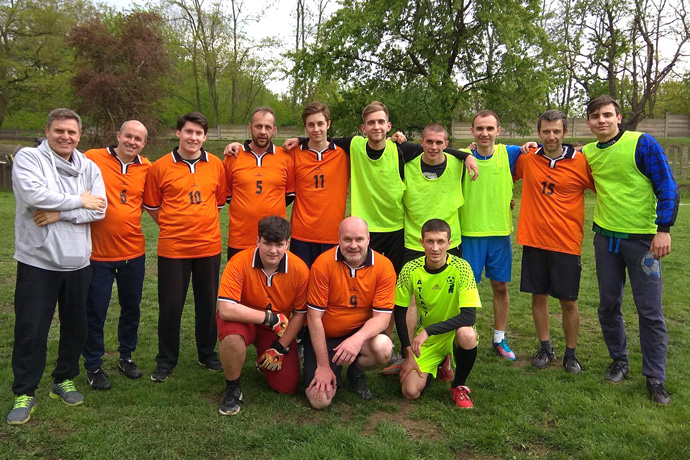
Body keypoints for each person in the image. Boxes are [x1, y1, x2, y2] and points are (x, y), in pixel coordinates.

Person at [7, 108, 106, 425]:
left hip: (78, 261)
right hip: (38, 261)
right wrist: (80, 201)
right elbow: (34, 195)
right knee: (31, 329)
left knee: (76, 326)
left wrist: (59, 212)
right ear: (48, 130)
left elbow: (100, 208)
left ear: (80, 135)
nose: (66, 137)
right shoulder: (28, 159)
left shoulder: (88, 167)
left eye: (72, 132)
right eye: (59, 131)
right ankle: (25, 391)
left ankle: (63, 379)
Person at [582, 95, 679, 404]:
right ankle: (619, 361)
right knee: (608, 305)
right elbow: (555, 155)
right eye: (595, 116)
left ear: (619, 117)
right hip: (605, 240)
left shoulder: (643, 144)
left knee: (650, 311)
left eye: (607, 115)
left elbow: (666, 185)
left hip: (643, 242)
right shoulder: (587, 153)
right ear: (588, 122)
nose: (602, 121)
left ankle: (655, 377)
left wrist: (663, 229)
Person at [143, 112, 227, 383]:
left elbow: (219, 202)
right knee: (170, 306)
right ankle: (166, 359)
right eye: (188, 132)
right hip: (173, 250)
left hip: (208, 246)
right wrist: (174, 225)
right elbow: (153, 206)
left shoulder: (215, 164)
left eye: (199, 133)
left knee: (207, 303)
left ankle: (207, 353)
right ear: (178, 133)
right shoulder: (160, 167)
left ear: (205, 137)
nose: (193, 137)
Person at [382, 123, 469, 378]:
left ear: (447, 143)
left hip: (449, 245)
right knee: (408, 301)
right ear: (421, 141)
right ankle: (407, 353)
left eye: (439, 142)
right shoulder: (407, 165)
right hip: (413, 242)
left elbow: (486, 150)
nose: (434, 147)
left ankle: (447, 357)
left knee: (450, 303)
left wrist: (469, 155)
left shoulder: (459, 164)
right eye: (429, 141)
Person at [513, 110, 594, 373]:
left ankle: (571, 354)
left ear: (565, 133)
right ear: (538, 133)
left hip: (567, 243)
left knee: (568, 301)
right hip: (534, 240)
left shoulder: (581, 162)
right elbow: (498, 162)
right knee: (539, 297)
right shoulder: (528, 158)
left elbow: (605, 187)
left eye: (556, 131)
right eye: (546, 131)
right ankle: (545, 348)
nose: (551, 136)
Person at [81, 120, 151, 390]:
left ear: (144, 143)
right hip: (97, 255)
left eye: (138, 139)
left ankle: (125, 357)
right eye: (128, 136)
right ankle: (94, 365)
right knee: (95, 311)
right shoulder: (93, 157)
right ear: (118, 136)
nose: (132, 142)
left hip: (133, 252)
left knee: (131, 309)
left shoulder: (148, 168)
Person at [215, 216, 309, 415]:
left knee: (287, 387)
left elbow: (300, 314)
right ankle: (233, 388)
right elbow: (225, 308)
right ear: (257, 241)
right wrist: (269, 318)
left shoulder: (299, 269)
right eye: (267, 243)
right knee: (231, 338)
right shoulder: (239, 261)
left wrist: (280, 347)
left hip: (277, 330)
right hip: (244, 321)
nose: (273, 250)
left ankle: (263, 358)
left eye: (279, 244)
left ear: (287, 243)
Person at [304, 217, 396, 409]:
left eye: (359, 239)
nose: (353, 246)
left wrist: (357, 339)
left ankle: (355, 372)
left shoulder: (384, 266)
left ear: (368, 239)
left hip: (361, 336)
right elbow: (313, 318)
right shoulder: (323, 264)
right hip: (328, 335)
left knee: (384, 348)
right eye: (347, 240)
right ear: (338, 239)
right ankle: (324, 364)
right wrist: (322, 365)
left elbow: (383, 317)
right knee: (319, 401)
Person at [394, 219, 481, 408]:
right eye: (430, 241)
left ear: (449, 243)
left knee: (467, 334)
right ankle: (440, 364)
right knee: (409, 392)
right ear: (421, 242)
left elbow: (469, 317)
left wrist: (428, 330)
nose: (435, 248)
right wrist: (408, 354)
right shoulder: (410, 269)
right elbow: (399, 312)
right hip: (430, 341)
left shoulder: (462, 268)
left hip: (453, 334)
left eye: (440, 242)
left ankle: (458, 385)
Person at [460, 110, 520, 361]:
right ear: (472, 131)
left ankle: (499, 338)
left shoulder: (510, 153)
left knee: (500, 287)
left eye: (490, 128)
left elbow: (539, 149)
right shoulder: (461, 157)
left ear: (498, 131)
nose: (485, 133)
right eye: (480, 128)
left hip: (499, 234)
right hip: (469, 233)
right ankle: (466, 334)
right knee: (466, 290)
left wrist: (529, 144)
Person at [224, 107, 295, 261]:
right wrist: (247, 206)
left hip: (274, 239)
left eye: (268, 127)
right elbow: (228, 195)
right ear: (250, 128)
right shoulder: (233, 157)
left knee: (272, 283)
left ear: (274, 130)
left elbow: (289, 194)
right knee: (240, 283)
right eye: (258, 126)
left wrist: (267, 205)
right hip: (240, 237)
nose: (263, 131)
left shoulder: (285, 158)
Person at [287, 102, 349, 268]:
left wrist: (395, 140)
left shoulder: (344, 154)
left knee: (329, 288)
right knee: (301, 287)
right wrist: (240, 147)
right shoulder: (293, 153)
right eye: (311, 125)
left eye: (320, 124)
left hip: (333, 235)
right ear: (305, 127)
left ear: (328, 124)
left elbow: (373, 147)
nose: (316, 129)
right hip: (301, 234)